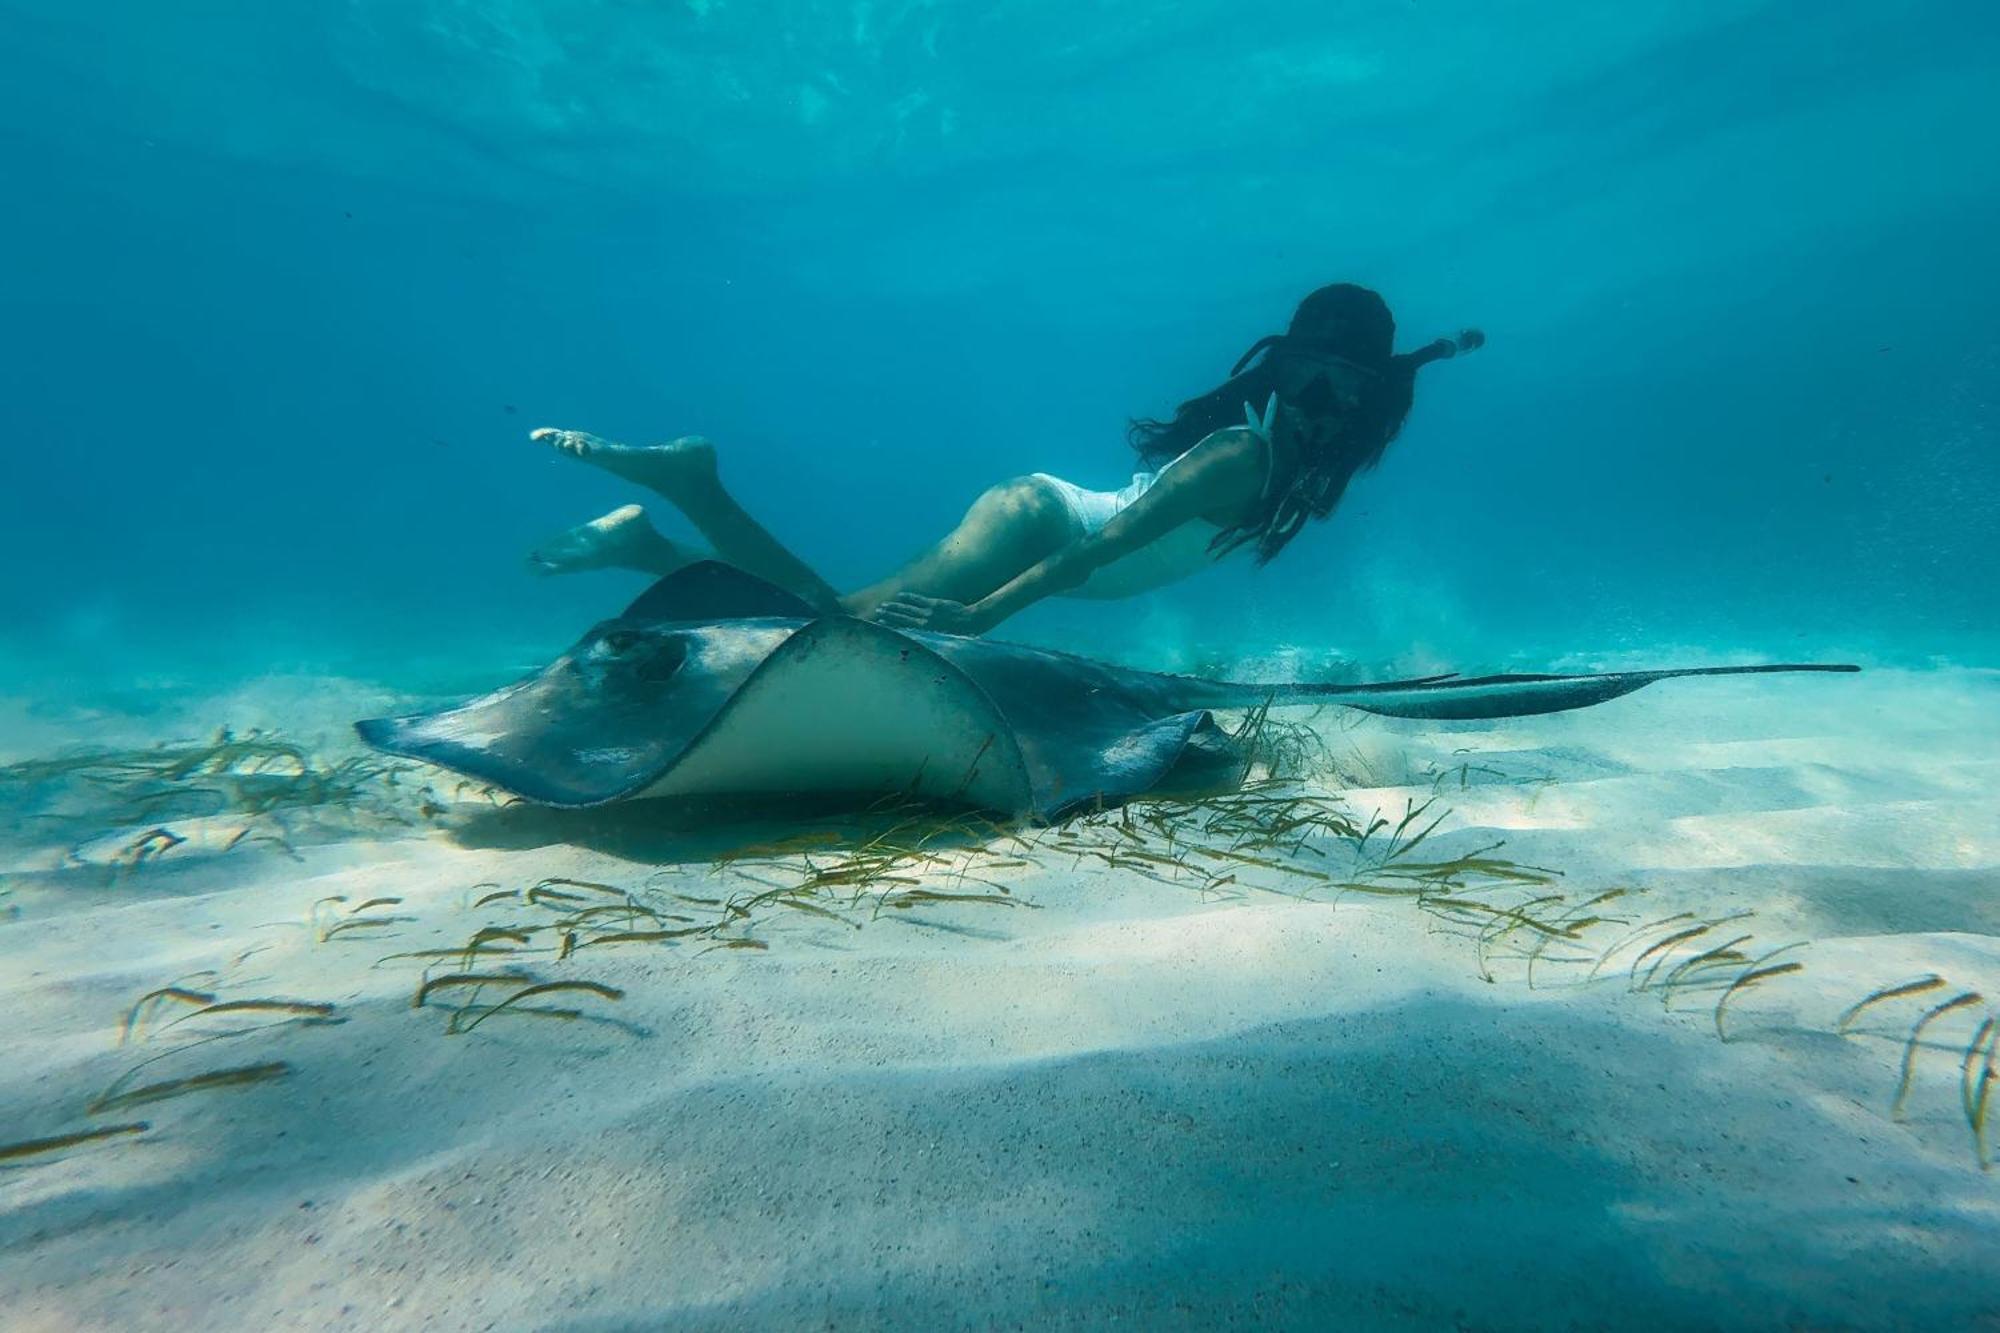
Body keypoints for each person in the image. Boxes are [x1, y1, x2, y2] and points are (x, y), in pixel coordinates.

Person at [525, 283, 1481, 636]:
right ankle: (695, 485)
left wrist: (1420, 362)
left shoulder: (1314, 449)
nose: (1320, 404)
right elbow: (1100, 553)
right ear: (1281, 365)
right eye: (1308, 376)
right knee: (841, 626)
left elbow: (1396, 376)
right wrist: (982, 616)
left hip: (1057, 524)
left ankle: (654, 546)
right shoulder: (1241, 454)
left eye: (1343, 388)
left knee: (831, 619)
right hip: (1046, 522)